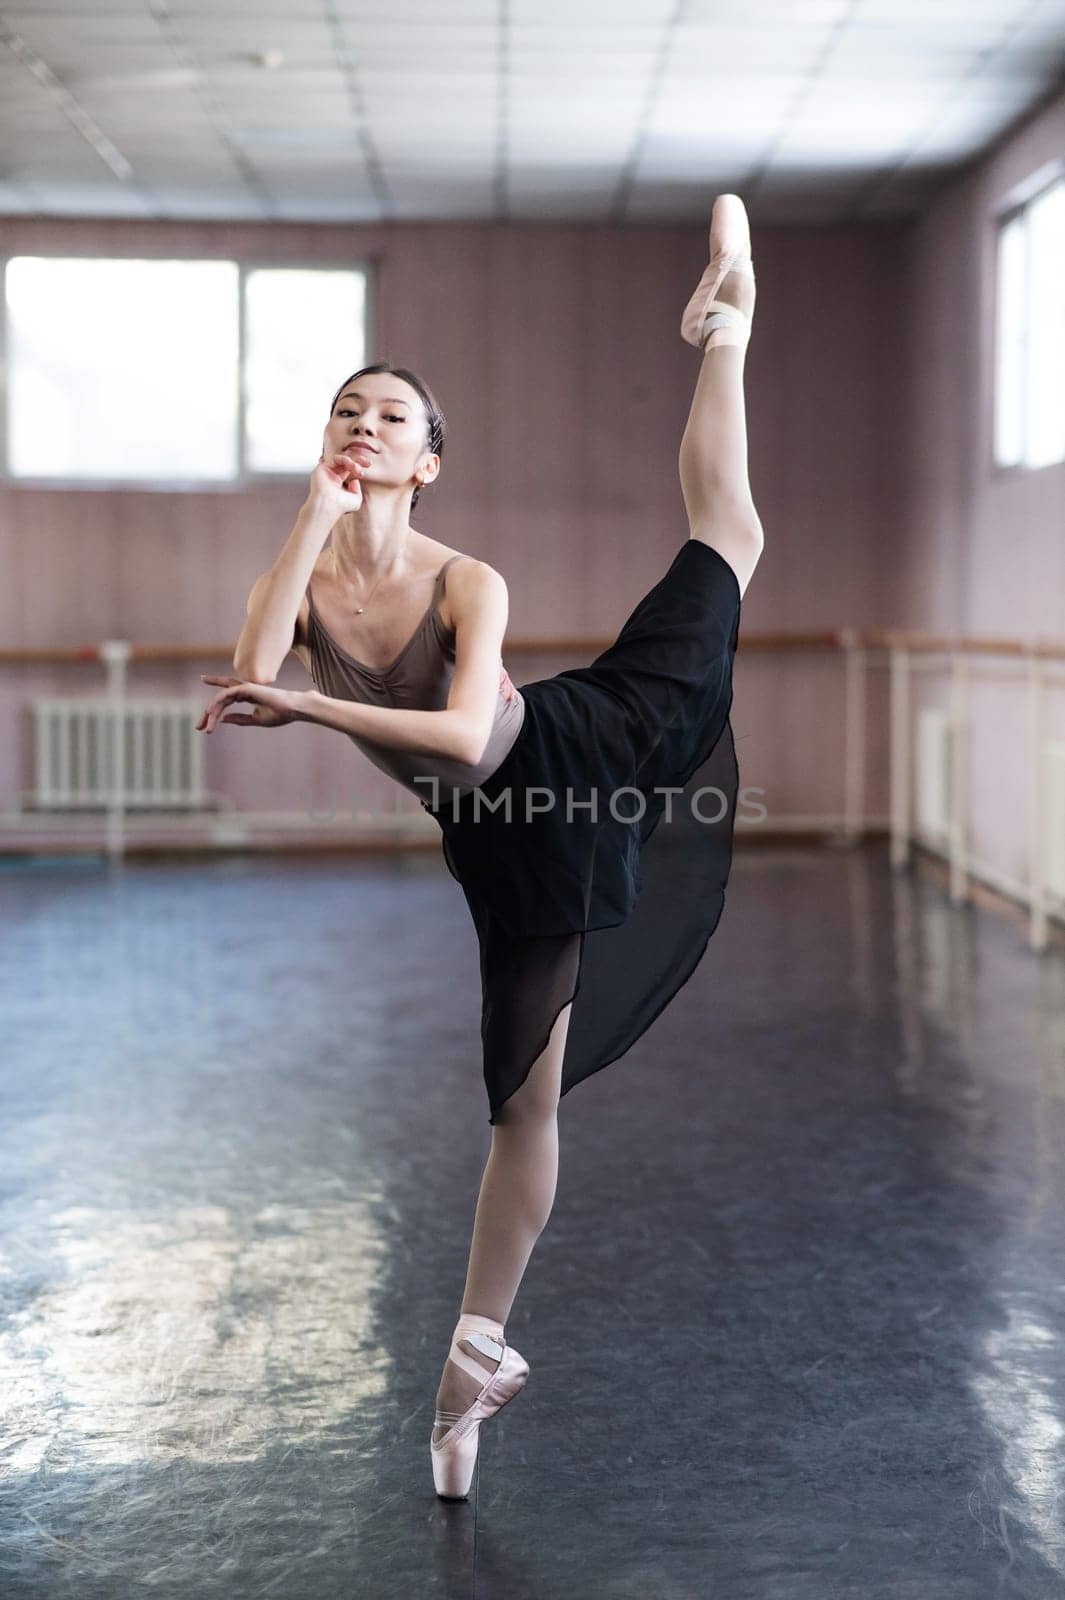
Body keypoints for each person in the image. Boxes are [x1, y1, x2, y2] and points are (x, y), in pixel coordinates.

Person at [197, 192, 764, 1501]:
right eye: (347, 409)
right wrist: (306, 513)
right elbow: (250, 663)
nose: (364, 424)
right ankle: (471, 1379)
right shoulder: (305, 569)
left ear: (429, 460)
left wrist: (307, 703)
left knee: (725, 539)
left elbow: (457, 737)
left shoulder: (468, 580)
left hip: (570, 761)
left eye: (391, 414)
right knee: (517, 1100)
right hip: (496, 841)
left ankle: (722, 323)